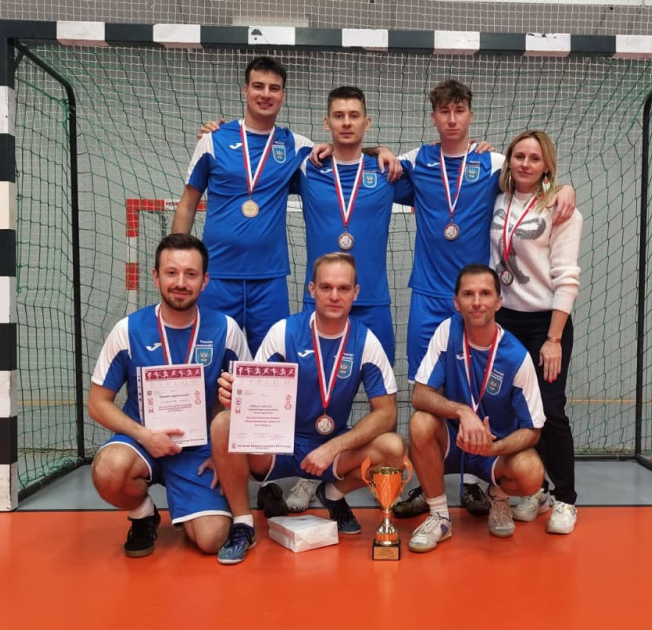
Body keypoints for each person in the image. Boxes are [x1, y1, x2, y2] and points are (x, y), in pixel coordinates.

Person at [390, 80, 574, 517]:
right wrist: (379, 149)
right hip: (429, 296)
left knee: (484, 388)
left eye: (459, 111)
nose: (452, 120)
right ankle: (425, 483)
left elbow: (536, 183)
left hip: (479, 300)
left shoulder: (493, 163)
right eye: (443, 112)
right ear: (433, 117)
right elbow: (368, 170)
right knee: (427, 394)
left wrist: (565, 188)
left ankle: (476, 481)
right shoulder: (416, 160)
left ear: (470, 115)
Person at [207, 252, 405, 564]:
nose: (334, 296)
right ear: (311, 290)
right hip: (276, 447)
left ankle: (333, 495)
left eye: (343, 288)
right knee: (223, 423)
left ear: (356, 292)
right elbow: (253, 394)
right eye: (326, 287)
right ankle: (242, 524)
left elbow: (387, 412)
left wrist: (333, 447)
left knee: (393, 447)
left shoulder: (366, 341)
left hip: (330, 448)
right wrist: (237, 399)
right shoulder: (283, 332)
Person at [282, 86, 413, 513]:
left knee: (379, 401)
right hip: (319, 303)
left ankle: (346, 481)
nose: (346, 122)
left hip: (372, 301)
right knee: (312, 392)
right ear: (326, 123)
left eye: (354, 115)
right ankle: (307, 475)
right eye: (338, 115)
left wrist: (383, 151)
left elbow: (444, 169)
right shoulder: (307, 169)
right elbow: (263, 165)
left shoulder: (387, 171)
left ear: (367, 123)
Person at [87, 233, 250, 558]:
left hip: (198, 448)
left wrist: (224, 454)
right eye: (171, 272)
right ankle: (143, 514)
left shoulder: (226, 329)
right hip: (142, 440)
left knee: (212, 540)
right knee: (109, 470)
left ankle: (193, 502)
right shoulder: (128, 330)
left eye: (191, 274)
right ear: (156, 276)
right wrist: (144, 435)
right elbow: (97, 403)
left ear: (204, 281)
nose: (180, 282)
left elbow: (245, 402)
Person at [172, 56, 313, 354]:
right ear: (245, 90)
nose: (266, 94)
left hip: (269, 280)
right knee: (209, 362)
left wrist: (379, 151)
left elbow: (341, 155)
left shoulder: (296, 145)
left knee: (272, 365)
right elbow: (187, 204)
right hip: (219, 276)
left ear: (283, 95)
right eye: (258, 86)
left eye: (274, 88)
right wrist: (177, 259)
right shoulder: (214, 140)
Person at [403, 264, 546, 553]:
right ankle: (440, 516)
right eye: (468, 294)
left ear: (498, 301)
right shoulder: (447, 331)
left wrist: (495, 448)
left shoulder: (517, 356)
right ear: (457, 302)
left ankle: (498, 496)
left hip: (491, 452)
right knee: (420, 423)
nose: (477, 301)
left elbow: (533, 430)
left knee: (532, 473)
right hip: (453, 442)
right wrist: (462, 412)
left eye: (485, 294)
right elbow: (420, 395)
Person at [490, 130, 584, 534]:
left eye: (534, 157)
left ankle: (565, 498)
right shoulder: (497, 199)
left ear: (547, 165)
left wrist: (553, 338)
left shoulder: (562, 210)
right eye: (518, 156)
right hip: (504, 321)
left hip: (545, 323)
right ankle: (536, 490)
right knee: (515, 410)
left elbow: (567, 278)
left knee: (549, 409)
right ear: (509, 160)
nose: (525, 163)